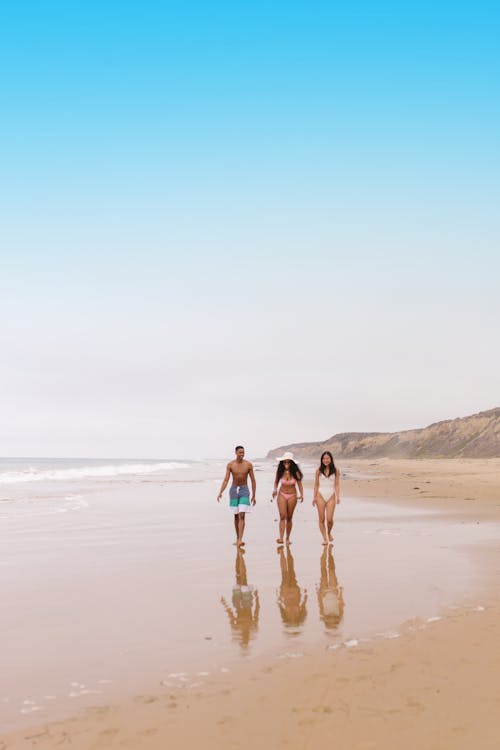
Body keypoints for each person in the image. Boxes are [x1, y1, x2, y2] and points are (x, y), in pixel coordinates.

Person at [217, 446, 256, 546]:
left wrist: (254, 495)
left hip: (244, 490)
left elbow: (253, 480)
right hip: (234, 490)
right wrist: (220, 492)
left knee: (242, 515)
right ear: (235, 452)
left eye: (243, 452)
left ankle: (240, 539)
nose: (242, 454)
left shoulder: (248, 465)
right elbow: (226, 480)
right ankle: (237, 537)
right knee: (236, 516)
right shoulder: (230, 465)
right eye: (240, 452)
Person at [272, 451, 304, 546]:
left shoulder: (296, 472)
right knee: (282, 516)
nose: (286, 464)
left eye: (288, 462)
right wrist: (274, 490)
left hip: (292, 495)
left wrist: (301, 494)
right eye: (285, 462)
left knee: (289, 518)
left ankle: (288, 538)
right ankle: (281, 538)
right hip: (282, 494)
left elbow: (299, 484)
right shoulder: (280, 471)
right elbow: (276, 482)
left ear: (292, 463)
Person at [313, 450, 340, 545]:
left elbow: (336, 484)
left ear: (331, 459)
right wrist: (314, 497)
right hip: (320, 495)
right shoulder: (318, 471)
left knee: (329, 519)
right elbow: (316, 485)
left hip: (331, 496)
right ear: (322, 460)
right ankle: (325, 538)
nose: (326, 460)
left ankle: (328, 532)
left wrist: (338, 496)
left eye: (327, 458)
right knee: (321, 519)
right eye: (324, 459)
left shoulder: (336, 470)